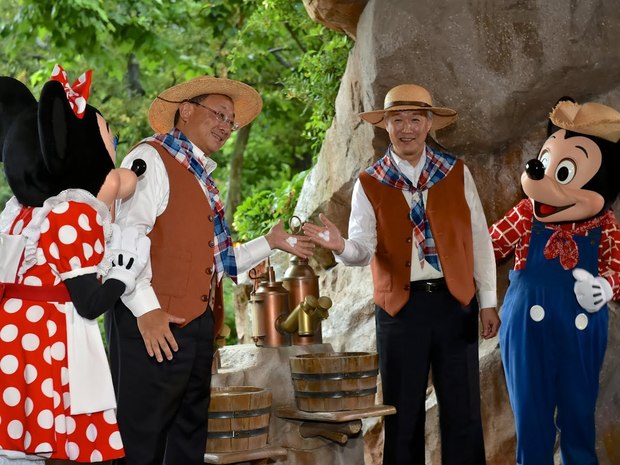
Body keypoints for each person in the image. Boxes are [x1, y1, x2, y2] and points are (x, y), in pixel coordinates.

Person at [105, 75, 314, 465]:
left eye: (231, 121)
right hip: (152, 324)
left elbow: (215, 258)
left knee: (187, 439)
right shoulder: (151, 157)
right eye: (219, 114)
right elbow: (124, 237)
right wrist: (146, 311)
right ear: (186, 110)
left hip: (196, 329)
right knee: (140, 442)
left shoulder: (199, 175)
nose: (226, 126)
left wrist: (270, 242)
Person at [303, 84, 500, 465]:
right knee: (402, 415)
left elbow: (479, 239)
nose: (406, 128)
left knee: (463, 412)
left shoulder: (456, 173)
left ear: (428, 124)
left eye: (414, 119)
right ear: (386, 126)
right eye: (397, 120)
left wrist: (488, 301)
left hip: (455, 303)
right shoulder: (369, 182)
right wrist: (340, 245)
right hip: (400, 311)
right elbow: (363, 249)